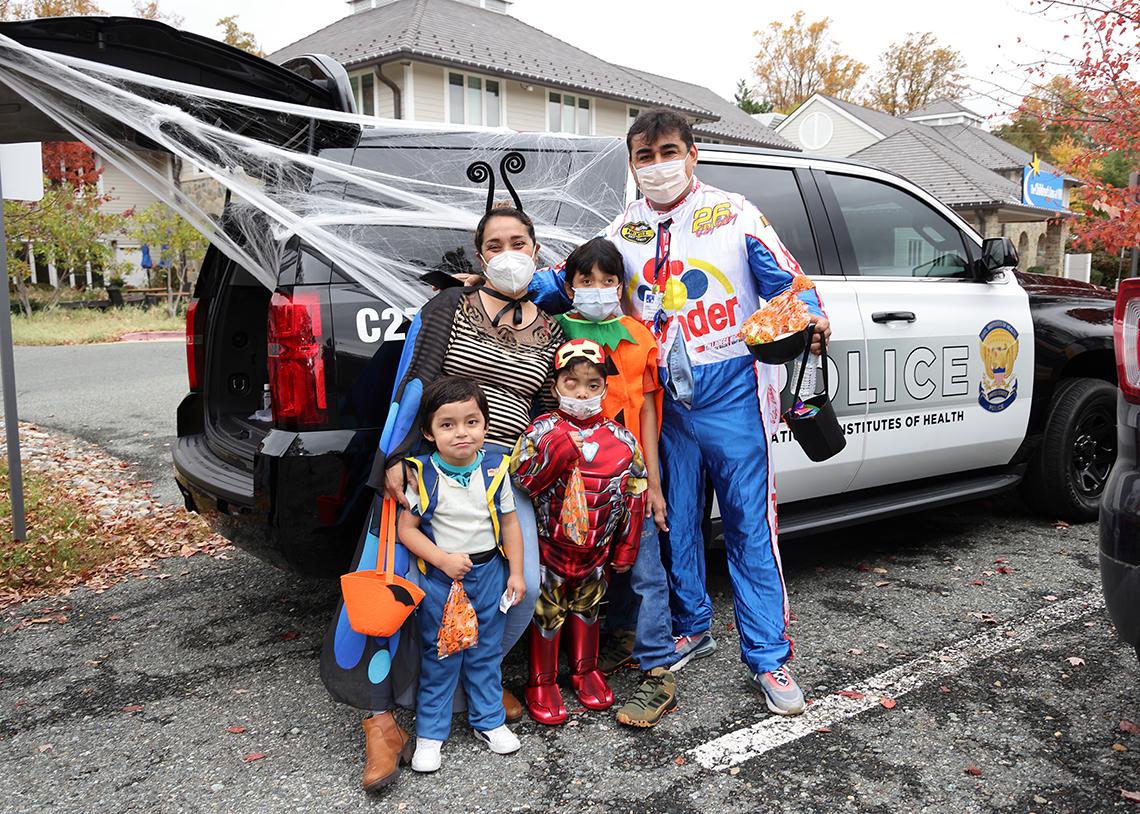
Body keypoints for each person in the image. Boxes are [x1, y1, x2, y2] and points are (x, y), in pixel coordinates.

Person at [530, 110, 831, 716]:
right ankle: (692, 623)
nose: (657, 166)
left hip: (731, 391)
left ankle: (770, 658)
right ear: (632, 165)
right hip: (664, 398)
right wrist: (501, 283)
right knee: (677, 522)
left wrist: (812, 317)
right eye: (644, 156)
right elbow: (569, 283)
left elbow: (791, 287)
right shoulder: (625, 228)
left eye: (668, 152)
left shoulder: (736, 213)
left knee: (750, 526)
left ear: (693, 154)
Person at [320, 205, 563, 791]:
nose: (509, 251)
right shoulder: (450, 306)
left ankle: (471, 686)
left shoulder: (553, 326)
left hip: (499, 476)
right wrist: (399, 458)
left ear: (535, 250)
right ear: (481, 257)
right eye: (496, 243)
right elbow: (415, 383)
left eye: (520, 241)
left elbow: (552, 406)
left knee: (515, 589)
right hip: (428, 468)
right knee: (393, 588)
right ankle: (380, 720)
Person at [553, 237, 678, 727]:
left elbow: (647, 411)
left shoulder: (637, 336)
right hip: (575, 484)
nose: (598, 290)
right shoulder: (555, 332)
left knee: (645, 571)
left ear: (622, 287)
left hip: (628, 480)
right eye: (587, 281)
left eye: (609, 281)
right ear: (570, 286)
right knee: (583, 571)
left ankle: (658, 673)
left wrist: (653, 482)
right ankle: (601, 647)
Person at [510, 339, 647, 725]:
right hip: (549, 549)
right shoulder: (540, 431)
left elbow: (635, 492)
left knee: (588, 612)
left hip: (595, 553)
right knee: (546, 614)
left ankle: (585, 670)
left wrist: (627, 547)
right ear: (555, 386)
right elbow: (520, 483)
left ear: (605, 386)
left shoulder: (622, 439)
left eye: (592, 384)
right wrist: (553, 457)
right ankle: (542, 680)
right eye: (572, 382)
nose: (582, 392)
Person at [396, 377, 527, 772]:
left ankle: (488, 721)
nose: (461, 433)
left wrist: (516, 573)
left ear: (485, 425)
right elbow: (407, 529)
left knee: (485, 652)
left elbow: (509, 524)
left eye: (471, 422)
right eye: (447, 425)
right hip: (444, 580)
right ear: (428, 432)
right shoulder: (425, 475)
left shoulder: (494, 469)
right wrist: (441, 559)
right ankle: (431, 733)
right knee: (442, 654)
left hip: (489, 573)